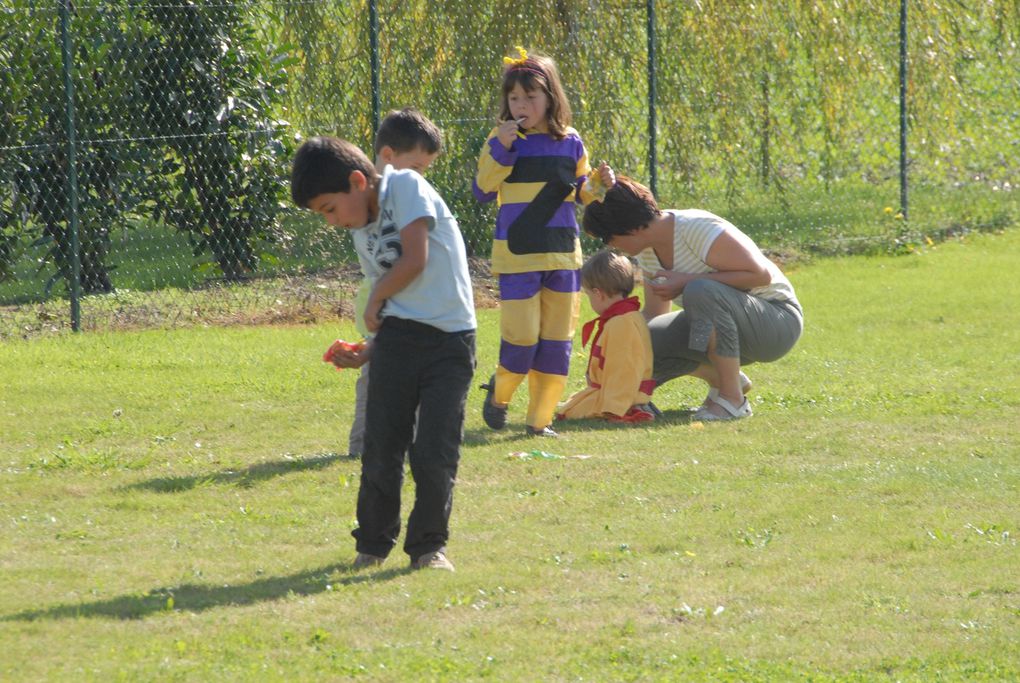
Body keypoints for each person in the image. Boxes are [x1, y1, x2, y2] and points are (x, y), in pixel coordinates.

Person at [291, 135, 476, 572]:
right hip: (397, 342)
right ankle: (372, 546)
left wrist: (374, 300)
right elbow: (397, 304)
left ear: (358, 181)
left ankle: (429, 548)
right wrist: (371, 349)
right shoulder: (362, 231)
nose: (332, 222)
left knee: (434, 450)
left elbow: (414, 259)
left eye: (329, 209)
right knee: (381, 448)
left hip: (449, 342)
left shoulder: (406, 187)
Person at [473, 45, 614, 438]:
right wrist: (502, 146)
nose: (520, 105)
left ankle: (540, 422)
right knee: (520, 341)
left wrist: (600, 184)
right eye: (513, 97)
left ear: (550, 97)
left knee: (556, 345)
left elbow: (581, 193)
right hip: (517, 258)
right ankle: (499, 394)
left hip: (564, 257)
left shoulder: (571, 142)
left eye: (529, 97)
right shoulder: (502, 140)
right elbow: (483, 189)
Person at [582, 176, 803, 421]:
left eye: (607, 237)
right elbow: (655, 315)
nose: (609, 245)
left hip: (776, 323)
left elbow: (760, 275)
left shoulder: (694, 228)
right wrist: (612, 349)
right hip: (728, 328)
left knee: (701, 290)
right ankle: (723, 380)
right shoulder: (647, 250)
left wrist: (685, 281)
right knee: (639, 338)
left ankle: (733, 400)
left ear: (632, 228)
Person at [340, 108, 443, 459]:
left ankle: (405, 444)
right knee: (375, 378)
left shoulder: (412, 201)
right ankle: (361, 447)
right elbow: (378, 269)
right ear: (387, 157)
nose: (421, 179)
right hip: (386, 308)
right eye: (416, 168)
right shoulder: (364, 209)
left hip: (418, 309)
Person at [556, 250, 656, 424]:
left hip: (621, 398)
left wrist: (614, 409)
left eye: (588, 295)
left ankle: (630, 410)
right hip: (612, 393)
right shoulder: (623, 318)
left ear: (598, 294)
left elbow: (624, 370)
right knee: (569, 408)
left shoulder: (621, 323)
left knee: (570, 412)